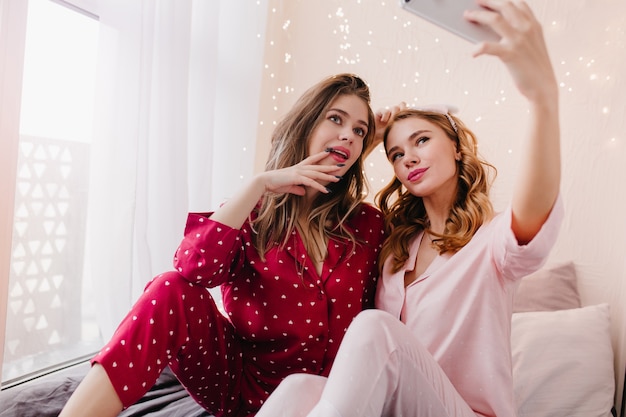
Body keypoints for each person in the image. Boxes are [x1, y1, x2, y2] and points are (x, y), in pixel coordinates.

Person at [254, 0, 563, 416]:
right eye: (396, 153)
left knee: (374, 327)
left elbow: (536, 201)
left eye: (421, 141)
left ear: (455, 146)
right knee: (298, 389)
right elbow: (325, 204)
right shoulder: (395, 250)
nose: (408, 159)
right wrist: (360, 144)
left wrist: (543, 99)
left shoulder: (492, 245)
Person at [59, 73, 387, 417]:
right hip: (248, 393)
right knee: (170, 288)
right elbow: (192, 267)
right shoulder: (252, 217)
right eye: (336, 118)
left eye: (360, 130)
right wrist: (259, 184)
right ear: (304, 125)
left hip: (337, 399)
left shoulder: (369, 224)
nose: (349, 133)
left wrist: (381, 140)